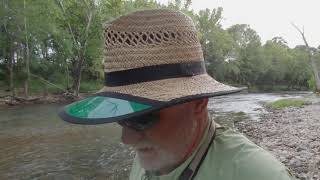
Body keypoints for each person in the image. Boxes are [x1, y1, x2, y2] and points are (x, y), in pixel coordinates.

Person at [58, 9, 296, 180]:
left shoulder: (257, 173)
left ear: (199, 103)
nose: (127, 140)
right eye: (123, 117)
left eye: (142, 118)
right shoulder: (149, 154)